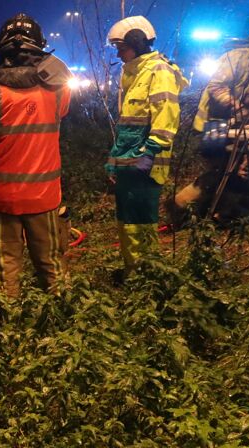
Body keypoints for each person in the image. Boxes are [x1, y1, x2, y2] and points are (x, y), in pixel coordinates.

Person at [0, 13, 72, 297]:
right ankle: (65, 327)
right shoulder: (58, 88)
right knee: (54, 268)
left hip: (0, 199)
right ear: (39, 45)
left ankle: (8, 332)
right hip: (44, 197)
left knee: (3, 275)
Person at [168, 14, 249, 228]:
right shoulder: (239, 57)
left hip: (241, 128)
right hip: (218, 125)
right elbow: (216, 86)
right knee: (224, 172)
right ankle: (182, 207)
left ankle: (220, 213)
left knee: (238, 171)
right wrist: (238, 108)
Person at [105, 16, 188, 272]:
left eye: (122, 47)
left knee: (141, 220)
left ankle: (147, 275)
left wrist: (149, 153)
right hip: (129, 162)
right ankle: (135, 271)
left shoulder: (158, 71)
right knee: (128, 221)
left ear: (137, 42)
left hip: (145, 163)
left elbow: (166, 116)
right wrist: (114, 161)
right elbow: (128, 126)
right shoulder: (134, 73)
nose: (119, 54)